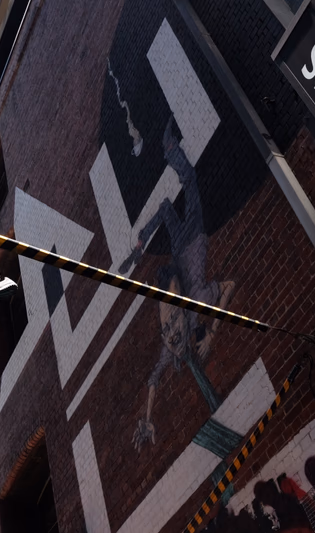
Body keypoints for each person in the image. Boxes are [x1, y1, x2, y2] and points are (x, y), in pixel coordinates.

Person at [132, 116, 236, 451]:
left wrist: (148, 417)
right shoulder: (192, 316)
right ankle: (170, 149)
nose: (171, 335)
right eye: (174, 337)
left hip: (181, 245)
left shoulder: (179, 327)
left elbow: (152, 379)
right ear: (181, 345)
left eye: (169, 333)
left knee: (173, 199)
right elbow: (230, 286)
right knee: (186, 185)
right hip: (194, 238)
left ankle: (169, 150)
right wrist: (214, 330)